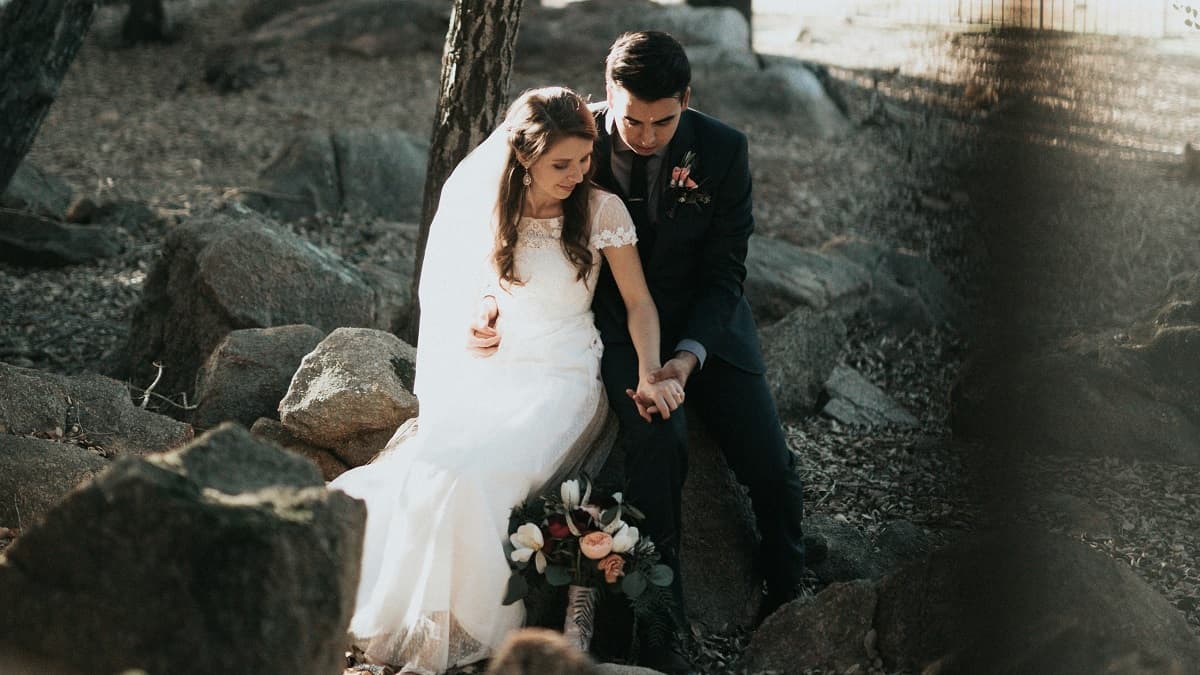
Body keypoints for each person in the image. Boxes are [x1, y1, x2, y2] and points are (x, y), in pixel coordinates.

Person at [330, 86, 680, 674]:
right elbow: (481, 295)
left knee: (482, 478)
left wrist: (649, 369)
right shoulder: (493, 210)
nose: (577, 174)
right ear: (524, 158)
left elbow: (640, 303)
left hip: (563, 372)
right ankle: (408, 620)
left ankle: (464, 631)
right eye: (560, 164)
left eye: (584, 160)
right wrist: (481, 321)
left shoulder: (601, 211)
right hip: (497, 365)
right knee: (432, 468)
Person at [589, 30, 808, 668]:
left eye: (663, 120)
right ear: (608, 94)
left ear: (687, 98)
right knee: (659, 447)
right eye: (632, 118)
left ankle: (787, 587)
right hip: (619, 324)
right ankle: (663, 623)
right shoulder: (576, 143)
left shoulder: (724, 150)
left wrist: (687, 357)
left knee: (768, 460)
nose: (646, 135)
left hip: (711, 323)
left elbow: (724, 274)